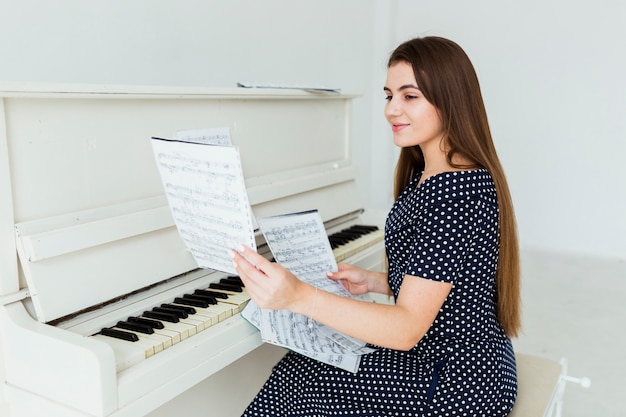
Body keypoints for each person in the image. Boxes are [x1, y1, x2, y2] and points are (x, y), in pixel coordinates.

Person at [231, 36, 521, 416]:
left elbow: (406, 329)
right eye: (388, 95)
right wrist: (378, 282)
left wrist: (299, 296)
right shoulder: (436, 172)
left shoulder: (454, 193)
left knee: (298, 377)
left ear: (450, 99)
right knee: (305, 365)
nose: (391, 109)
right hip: (456, 362)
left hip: (455, 384)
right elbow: (455, 278)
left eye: (409, 96)